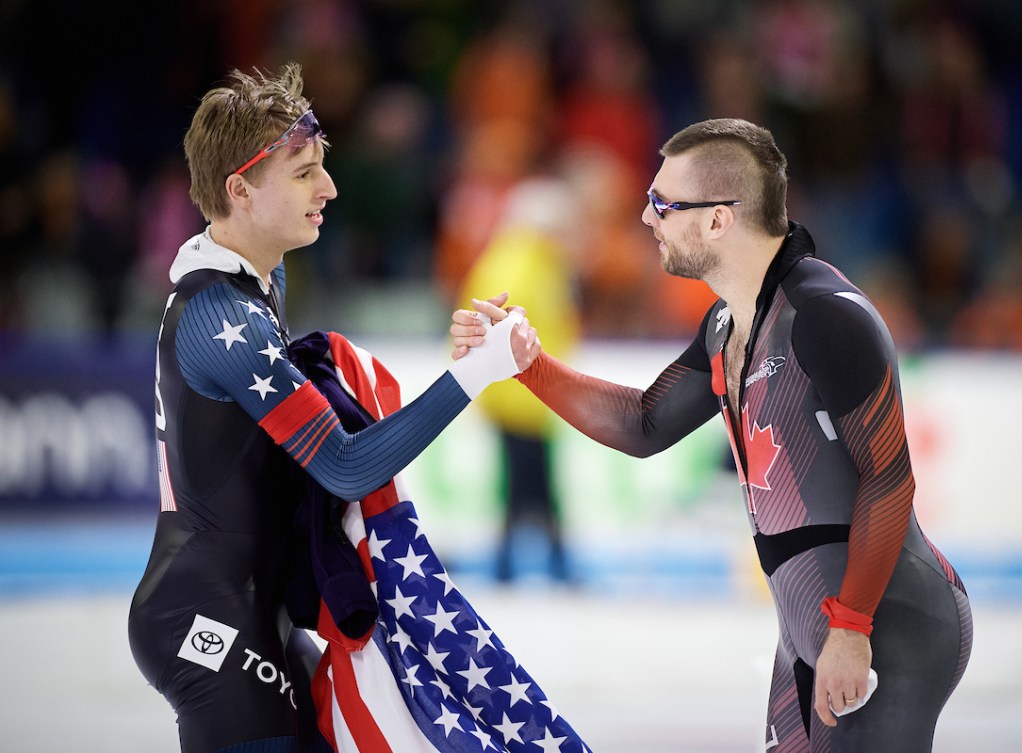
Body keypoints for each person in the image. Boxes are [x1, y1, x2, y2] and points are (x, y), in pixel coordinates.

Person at [454, 118, 973, 752]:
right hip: (817, 627)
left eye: (663, 204)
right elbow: (644, 424)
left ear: (719, 220)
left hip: (891, 623)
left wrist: (852, 626)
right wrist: (528, 365)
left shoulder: (824, 316)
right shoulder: (728, 323)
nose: (646, 219)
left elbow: (890, 479)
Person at [127, 63, 537, 753]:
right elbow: (346, 468)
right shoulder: (221, 316)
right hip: (206, 615)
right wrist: (473, 377)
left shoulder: (257, 277)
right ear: (240, 190)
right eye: (304, 173)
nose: (330, 188)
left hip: (253, 609)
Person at [457, 175, 583, 583]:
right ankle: (539, 564)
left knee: (525, 483)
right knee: (531, 483)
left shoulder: (526, 260)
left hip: (525, 393)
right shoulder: (521, 264)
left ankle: (514, 564)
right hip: (521, 395)